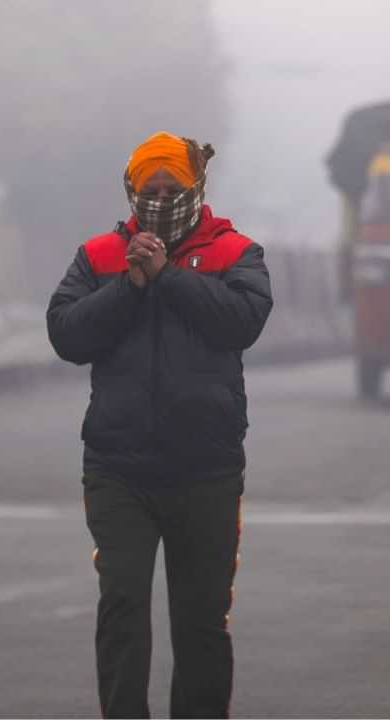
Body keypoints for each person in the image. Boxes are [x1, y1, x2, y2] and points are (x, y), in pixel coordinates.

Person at [46, 131, 272, 718]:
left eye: (175, 187)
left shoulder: (235, 252)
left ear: (197, 188)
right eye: (152, 188)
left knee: (200, 623)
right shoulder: (99, 257)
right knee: (121, 606)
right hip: (119, 471)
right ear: (132, 191)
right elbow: (66, 333)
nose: (163, 197)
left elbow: (243, 321)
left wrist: (168, 275)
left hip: (208, 472)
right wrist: (130, 285)